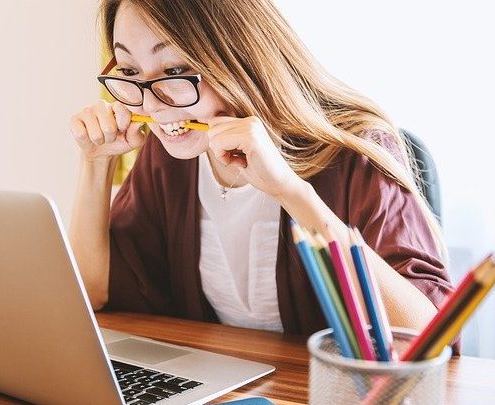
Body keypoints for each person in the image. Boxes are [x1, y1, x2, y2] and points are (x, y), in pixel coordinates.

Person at [68, 0, 455, 338]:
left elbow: (427, 336)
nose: (152, 106)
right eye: (132, 73)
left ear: (238, 57)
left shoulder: (357, 151)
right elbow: (93, 291)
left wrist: (292, 191)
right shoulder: (169, 156)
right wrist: (96, 163)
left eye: (173, 71)